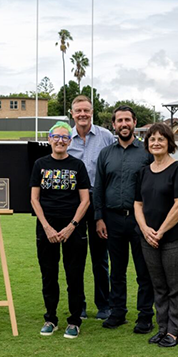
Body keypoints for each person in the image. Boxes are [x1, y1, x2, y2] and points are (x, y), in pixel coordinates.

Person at [93, 105, 155, 333]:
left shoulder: (146, 152)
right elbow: (98, 187)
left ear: (134, 122)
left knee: (143, 270)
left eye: (127, 120)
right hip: (112, 220)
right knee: (117, 271)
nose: (124, 124)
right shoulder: (106, 154)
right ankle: (117, 312)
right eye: (119, 121)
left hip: (140, 220)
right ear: (114, 125)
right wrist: (99, 218)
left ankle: (145, 316)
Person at [134, 123, 178, 348]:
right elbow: (137, 204)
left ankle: (174, 331)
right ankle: (162, 328)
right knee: (158, 286)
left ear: (170, 143)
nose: (156, 143)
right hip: (149, 238)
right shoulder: (143, 172)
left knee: (176, 285)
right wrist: (145, 230)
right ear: (147, 144)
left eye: (161, 139)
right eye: (152, 139)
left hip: (175, 237)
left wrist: (160, 232)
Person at [30, 121, 90, 339]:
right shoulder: (40, 164)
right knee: (49, 275)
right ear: (49, 139)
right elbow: (34, 199)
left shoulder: (77, 166)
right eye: (56, 136)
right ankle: (50, 319)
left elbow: (85, 200)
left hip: (73, 228)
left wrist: (71, 227)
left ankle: (74, 321)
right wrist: (46, 226)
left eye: (65, 137)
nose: (60, 141)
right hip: (46, 228)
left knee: (74, 275)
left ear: (70, 141)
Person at [67, 95, 115, 320]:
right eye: (78, 111)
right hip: (74, 203)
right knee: (75, 257)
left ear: (92, 111)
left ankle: (104, 305)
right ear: (72, 113)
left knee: (100, 258)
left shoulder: (105, 136)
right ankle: (79, 305)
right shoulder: (65, 137)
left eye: (86, 110)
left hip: (99, 202)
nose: (82, 114)